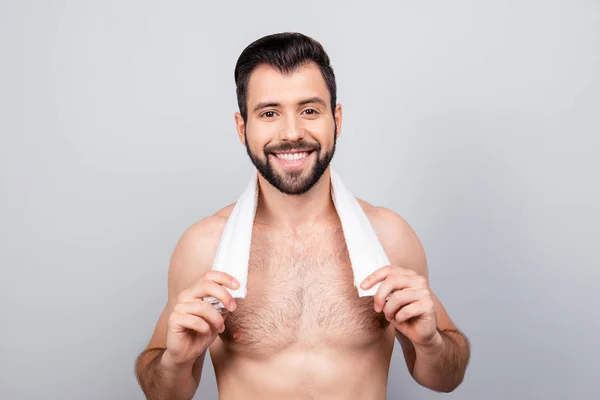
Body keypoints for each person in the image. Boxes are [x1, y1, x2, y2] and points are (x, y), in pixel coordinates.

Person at [135, 32, 471, 399]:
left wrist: (433, 343)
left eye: (309, 110)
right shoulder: (205, 248)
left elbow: (445, 378)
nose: (292, 132)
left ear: (336, 119)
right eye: (269, 113)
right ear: (242, 127)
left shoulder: (387, 237)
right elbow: (163, 392)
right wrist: (175, 362)